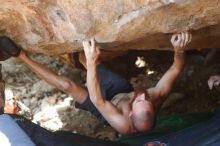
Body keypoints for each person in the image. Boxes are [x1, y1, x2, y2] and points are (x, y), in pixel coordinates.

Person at [0, 32, 191, 134]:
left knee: (68, 86)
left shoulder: (122, 123)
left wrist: (91, 64)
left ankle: (20, 56)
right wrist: (179, 50)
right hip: (119, 90)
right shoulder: (154, 97)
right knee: (87, 58)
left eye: (140, 100)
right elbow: (176, 69)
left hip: (102, 106)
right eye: (145, 98)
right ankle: (79, 59)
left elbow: (97, 99)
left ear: (130, 112)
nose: (142, 95)